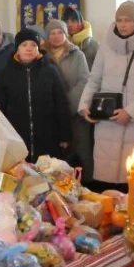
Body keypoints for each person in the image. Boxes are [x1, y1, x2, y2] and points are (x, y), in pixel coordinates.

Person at [78, 1, 134, 190]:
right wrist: (84, 106)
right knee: (105, 187)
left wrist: (130, 112)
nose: (122, 25)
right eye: (119, 20)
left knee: (132, 184)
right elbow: (93, 80)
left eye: (127, 20)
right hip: (107, 122)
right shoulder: (105, 48)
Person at [0, 29, 71, 161]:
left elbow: (61, 103)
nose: (29, 49)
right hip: (17, 136)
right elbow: (0, 107)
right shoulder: (6, 73)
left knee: (46, 176)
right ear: (17, 49)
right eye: (24, 45)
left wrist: (65, 135)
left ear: (38, 48)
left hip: (48, 136)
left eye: (33, 45)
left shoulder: (50, 71)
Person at [44, 19, 91, 179]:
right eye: (52, 33)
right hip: (52, 115)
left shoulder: (77, 54)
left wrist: (65, 104)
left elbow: (84, 81)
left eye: (60, 32)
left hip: (74, 113)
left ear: (65, 35)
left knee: (80, 152)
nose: (56, 36)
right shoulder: (42, 57)